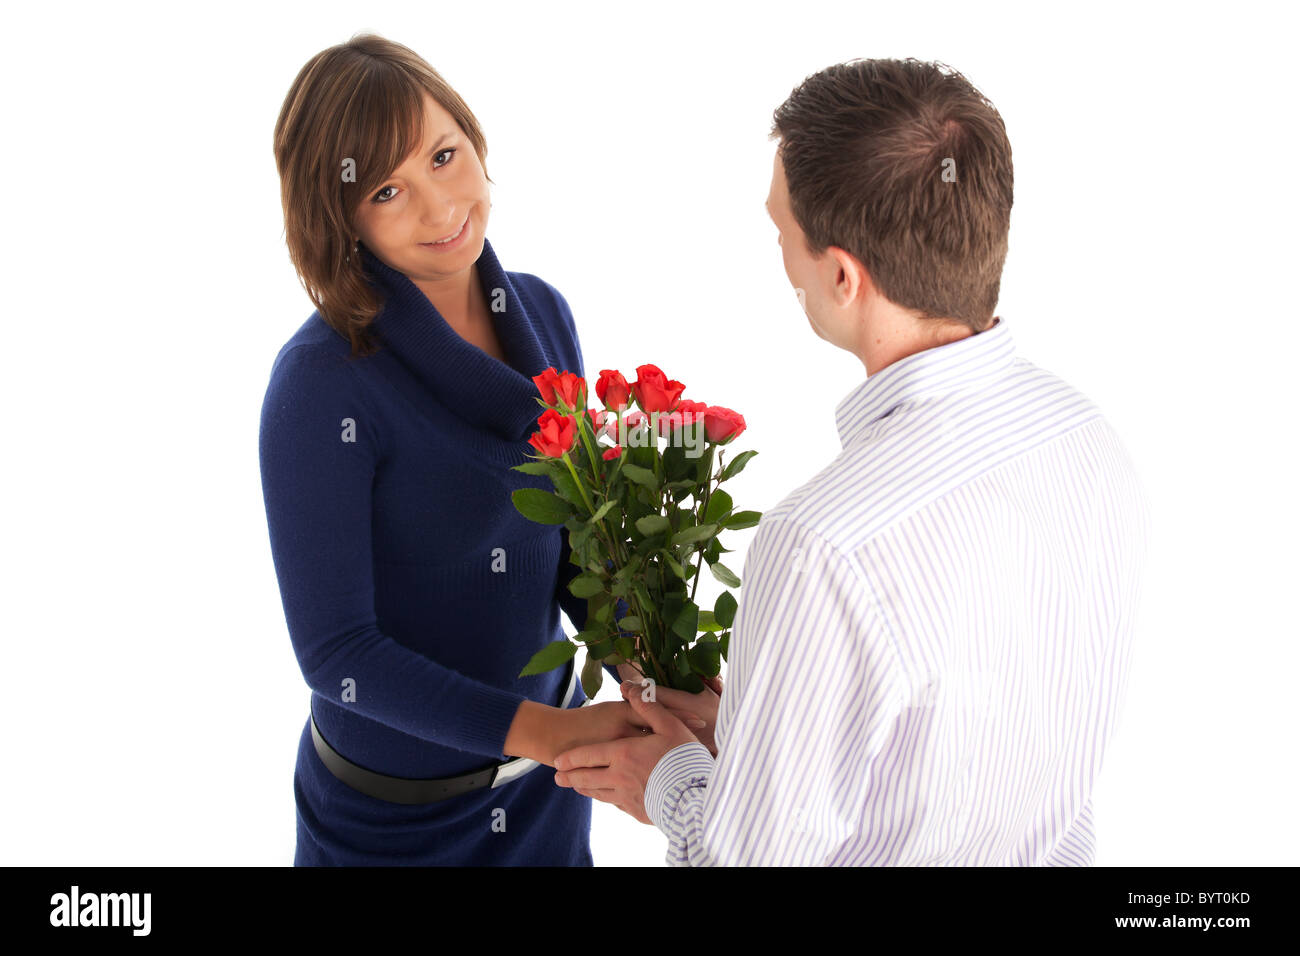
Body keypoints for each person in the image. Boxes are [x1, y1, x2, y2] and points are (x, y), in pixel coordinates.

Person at [553, 57, 1153, 866]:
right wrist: (764, 735)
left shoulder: (823, 544)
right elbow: (983, 747)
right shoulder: (1086, 438)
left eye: (781, 233)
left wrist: (672, 780)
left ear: (841, 276)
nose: (780, 256)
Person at [258, 33, 704, 866]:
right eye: (387, 190)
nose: (439, 207)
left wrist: (649, 675)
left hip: (547, 794)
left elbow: (578, 543)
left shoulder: (542, 312)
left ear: (474, 137)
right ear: (339, 216)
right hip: (390, 824)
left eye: (444, 155)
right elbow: (337, 654)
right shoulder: (321, 382)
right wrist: (551, 732)